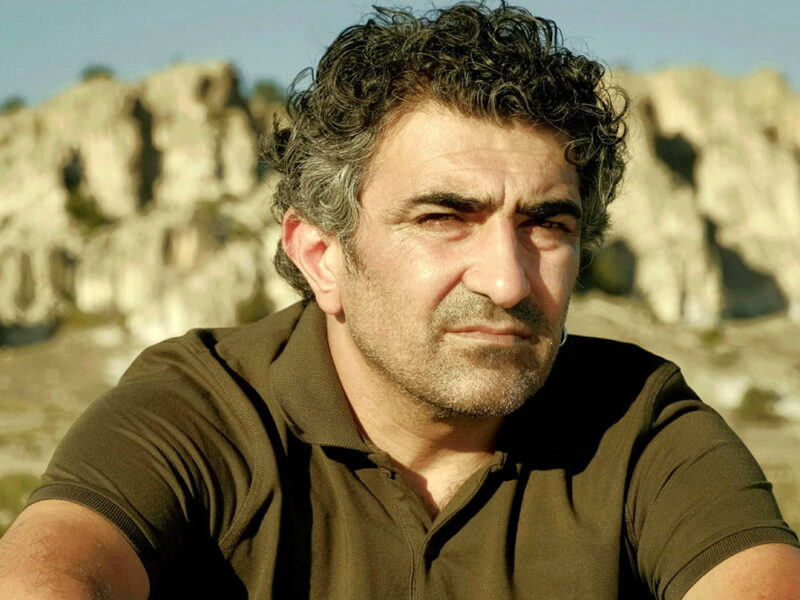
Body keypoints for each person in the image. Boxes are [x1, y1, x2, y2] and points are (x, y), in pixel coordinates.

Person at [1, 2, 799, 599]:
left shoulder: (637, 419)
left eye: (548, 225)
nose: (508, 281)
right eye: (443, 219)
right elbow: (48, 572)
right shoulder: (204, 408)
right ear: (321, 256)